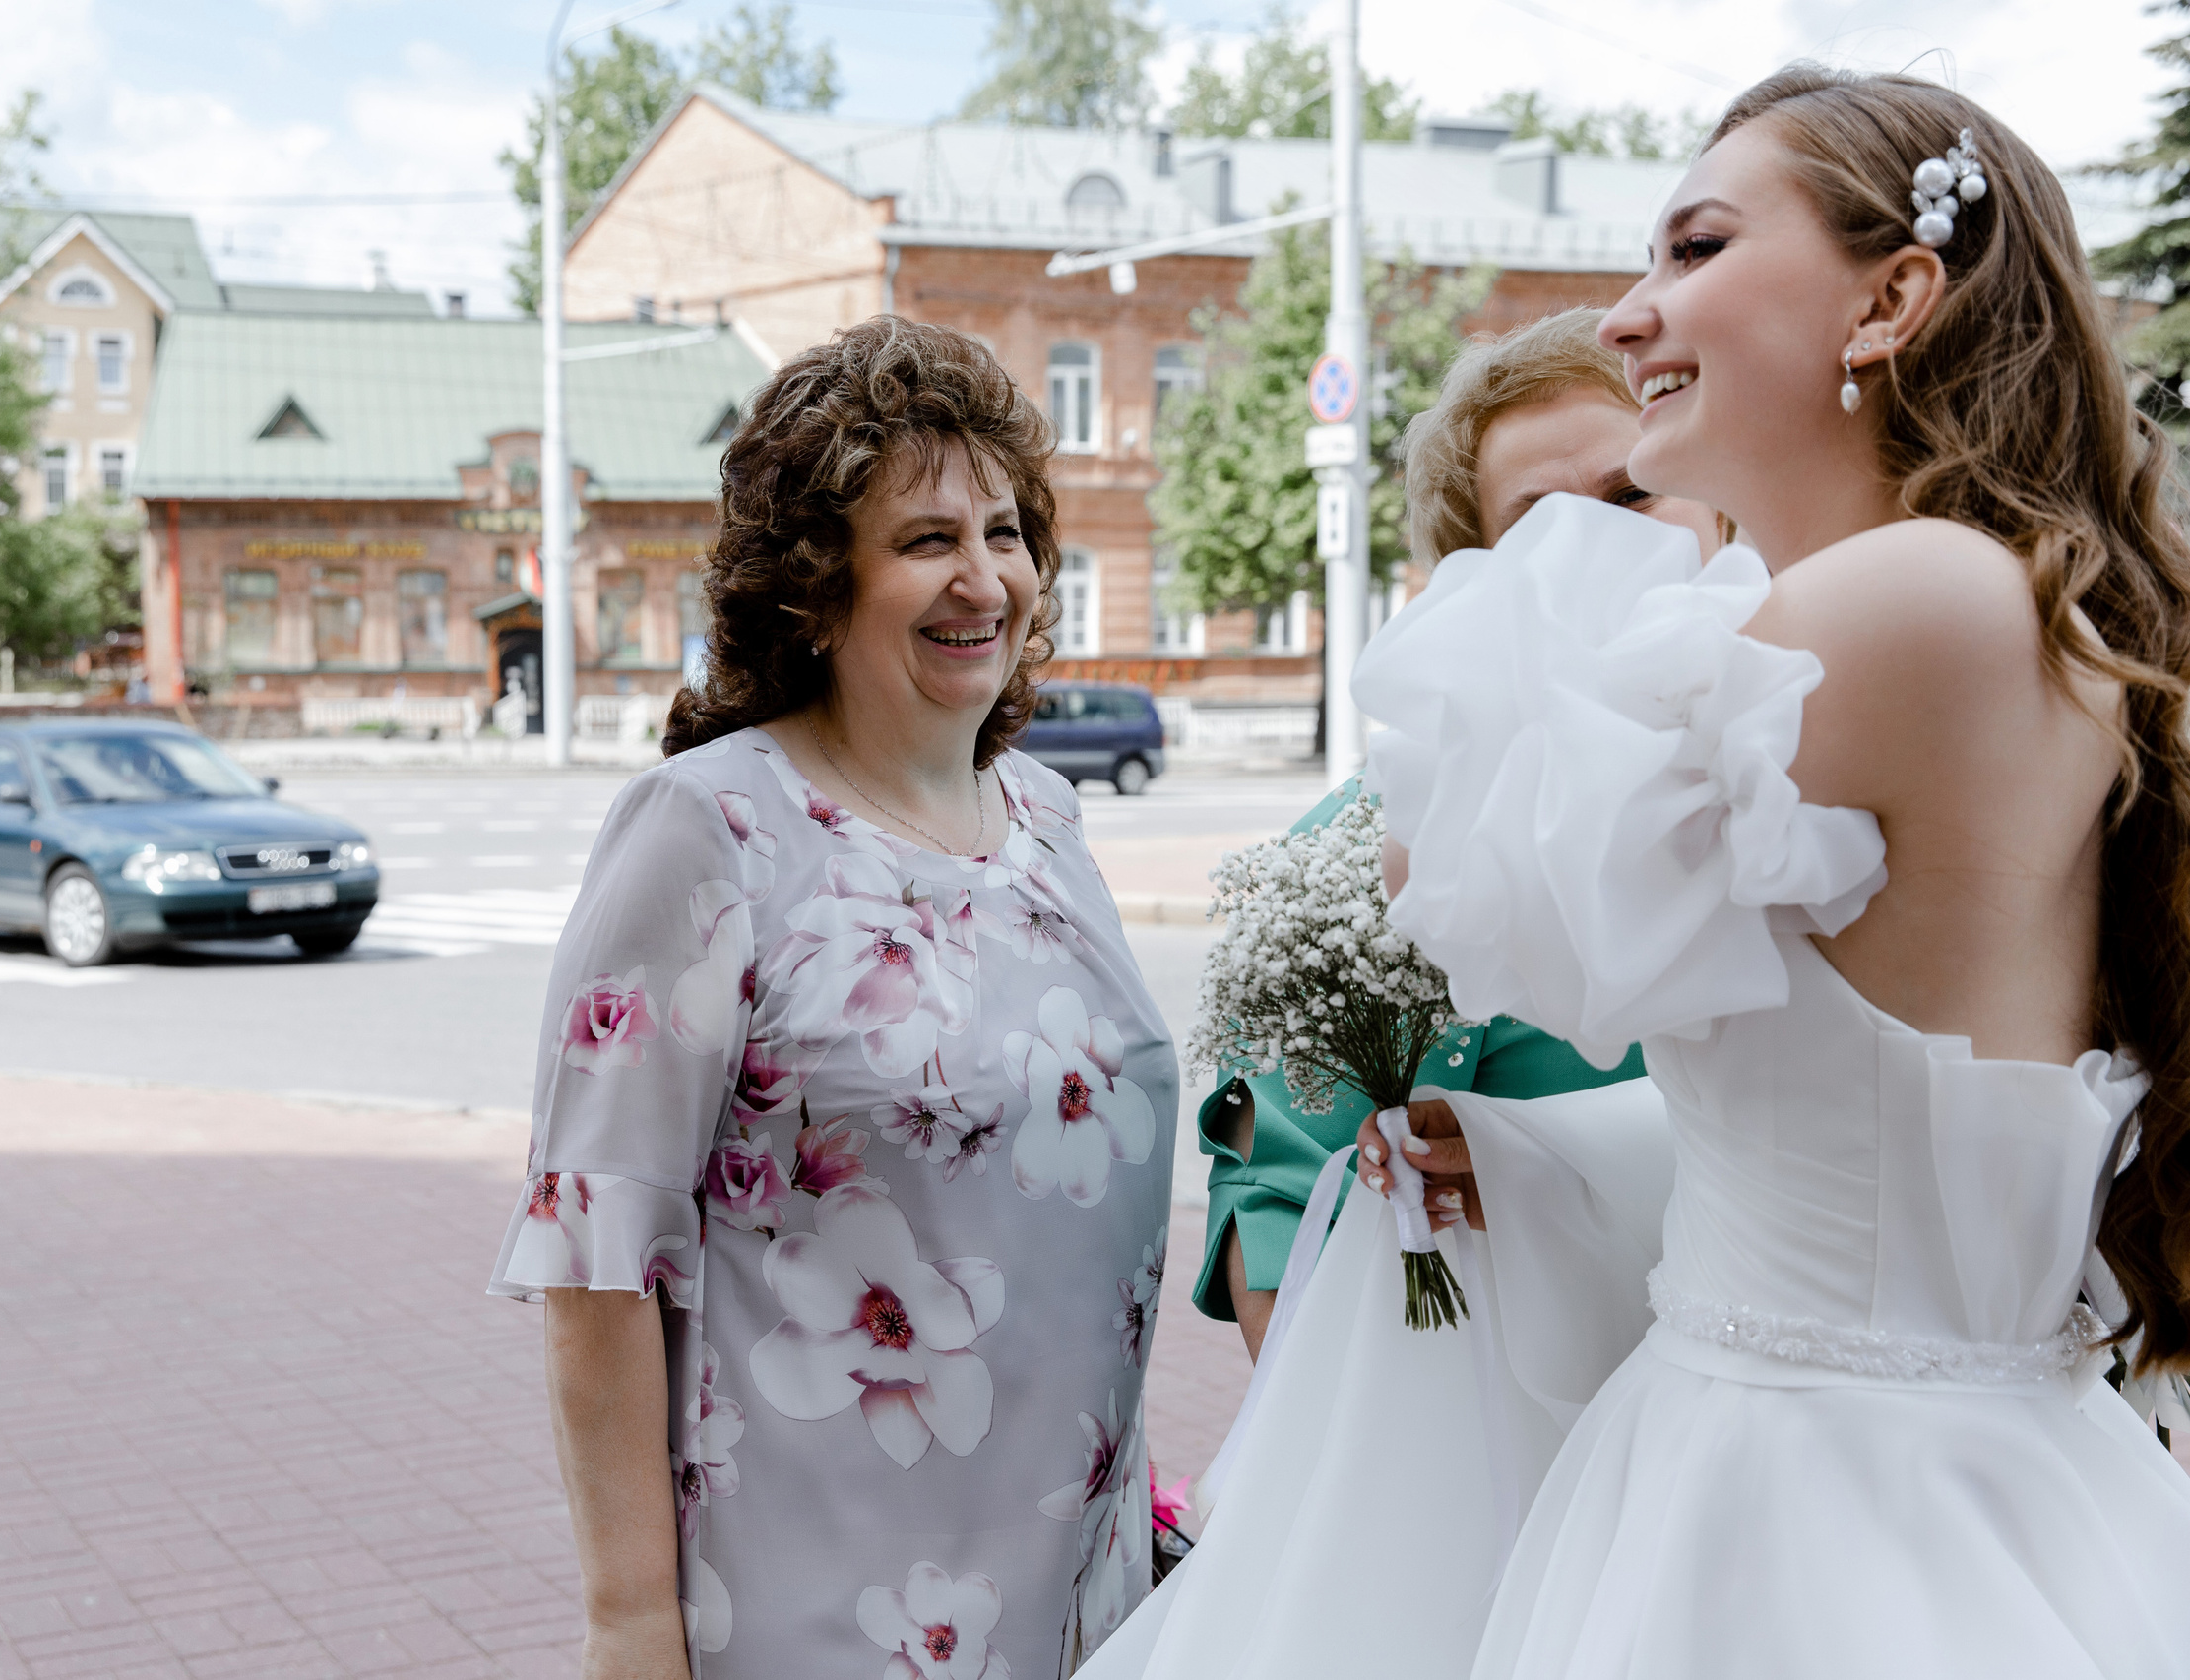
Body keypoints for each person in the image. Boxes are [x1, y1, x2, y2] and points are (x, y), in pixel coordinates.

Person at [1096, 64, 2190, 1679]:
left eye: (1694, 247)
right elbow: (1859, 1133)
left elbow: (1451, 861)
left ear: (1891, 299)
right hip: (1832, 1445)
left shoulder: (1919, 598)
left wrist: (1647, 550)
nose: (1626, 317)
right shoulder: (1959, 594)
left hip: (1826, 1508)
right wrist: (1548, 1162)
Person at [490, 315, 1178, 1680]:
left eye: (1005, 530)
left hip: (1083, 1571)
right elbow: (597, 1257)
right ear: (815, 582)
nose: (984, 577)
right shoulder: (708, 828)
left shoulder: (1045, 812)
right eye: (925, 539)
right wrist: (631, 1624)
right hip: (830, 1594)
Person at [1197, 308, 1718, 1359]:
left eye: (1630, 496)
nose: (1592, 545)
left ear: (1721, 504)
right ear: (1475, 570)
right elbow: (1285, 1214)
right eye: (1534, 525)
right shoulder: (1370, 850)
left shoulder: (1836, 758)